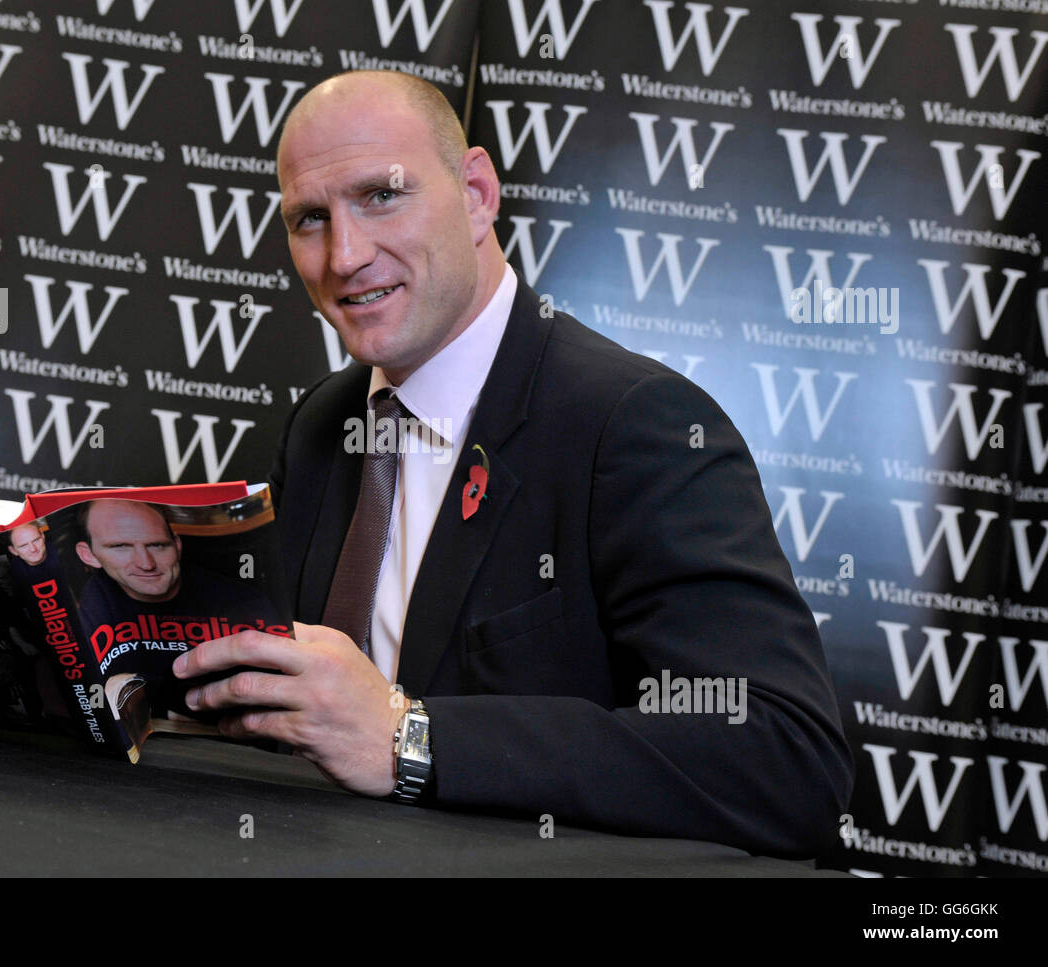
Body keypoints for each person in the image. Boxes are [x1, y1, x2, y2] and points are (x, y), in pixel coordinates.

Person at [172, 70, 854, 857]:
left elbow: (786, 753)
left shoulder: (636, 426)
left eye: (381, 196)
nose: (345, 254)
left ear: (476, 194)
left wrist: (410, 737)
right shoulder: (321, 424)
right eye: (310, 219)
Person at [74, 499, 286, 722]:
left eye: (157, 545)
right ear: (88, 555)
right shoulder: (98, 591)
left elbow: (261, 696)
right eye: (121, 547)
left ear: (177, 545)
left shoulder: (242, 601)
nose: (146, 564)